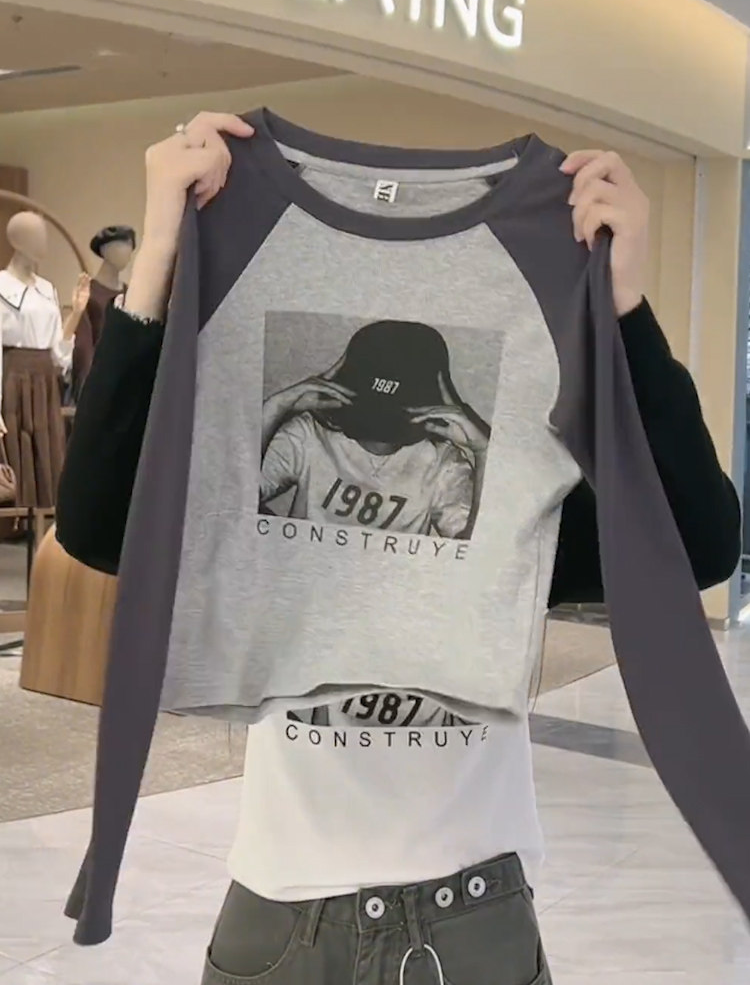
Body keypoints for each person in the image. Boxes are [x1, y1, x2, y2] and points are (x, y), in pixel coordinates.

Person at [55, 113, 740, 983]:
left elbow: (699, 547)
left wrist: (624, 309)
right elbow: (96, 526)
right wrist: (157, 259)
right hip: (283, 910)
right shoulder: (293, 448)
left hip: (471, 909)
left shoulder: (471, 472)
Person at [261, 319, 490, 538]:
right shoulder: (309, 436)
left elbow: (480, 551)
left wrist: (484, 451)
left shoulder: (442, 464)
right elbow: (238, 503)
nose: (380, 437)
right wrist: (274, 409)